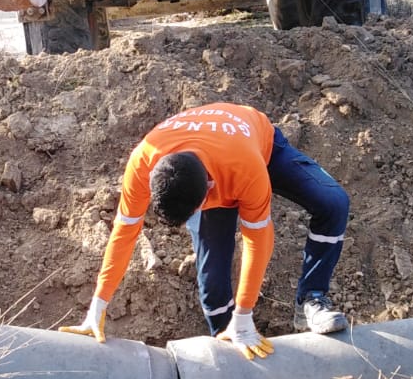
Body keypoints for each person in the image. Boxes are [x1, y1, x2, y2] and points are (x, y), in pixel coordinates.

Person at [61, 103, 349, 358]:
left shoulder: (245, 169)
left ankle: (310, 300)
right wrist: (97, 307)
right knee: (212, 286)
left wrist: (245, 311)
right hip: (208, 159)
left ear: (209, 190)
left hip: (256, 143)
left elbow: (257, 240)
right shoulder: (143, 162)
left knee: (333, 202)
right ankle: (227, 346)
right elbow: (124, 232)